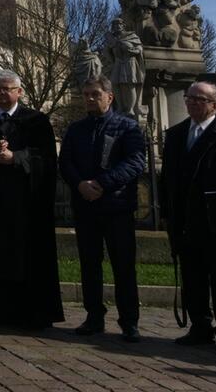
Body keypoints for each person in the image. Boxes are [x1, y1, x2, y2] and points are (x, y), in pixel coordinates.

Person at [0, 69, 63, 329]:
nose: (2, 94)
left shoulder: (36, 121)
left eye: (7, 89)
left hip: (25, 204)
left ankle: (28, 312)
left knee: (26, 257)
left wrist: (16, 158)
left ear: (19, 91)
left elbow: (47, 159)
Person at [159, 81, 216, 354]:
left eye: (200, 99)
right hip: (185, 221)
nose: (192, 103)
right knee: (192, 277)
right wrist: (167, 214)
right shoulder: (175, 135)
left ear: (215, 105)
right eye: (189, 98)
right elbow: (167, 181)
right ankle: (200, 326)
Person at [59, 75, 146, 342]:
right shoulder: (75, 129)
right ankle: (94, 315)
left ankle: (129, 320)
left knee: (123, 266)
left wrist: (102, 183)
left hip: (116, 206)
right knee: (89, 265)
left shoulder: (128, 127)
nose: (89, 99)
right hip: (86, 206)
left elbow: (135, 162)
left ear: (110, 96)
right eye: (86, 94)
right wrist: (80, 184)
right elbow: (66, 162)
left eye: (95, 94)